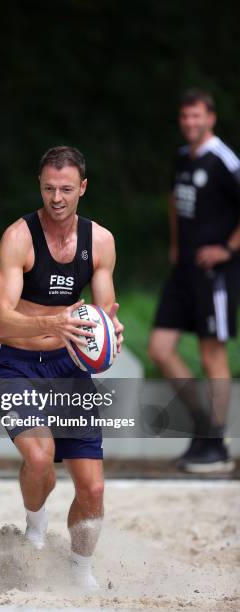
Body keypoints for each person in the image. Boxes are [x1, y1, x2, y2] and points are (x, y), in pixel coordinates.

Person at [0, 145, 124, 589]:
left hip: (68, 367)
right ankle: (35, 526)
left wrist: (111, 332)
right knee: (40, 456)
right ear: (40, 186)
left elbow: (103, 311)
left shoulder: (99, 241)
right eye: (49, 188)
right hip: (19, 363)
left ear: (82, 187)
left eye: (66, 189)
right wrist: (53, 321)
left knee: (94, 489)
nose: (57, 198)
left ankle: (81, 571)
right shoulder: (19, 237)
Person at [148, 88, 240, 473]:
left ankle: (217, 445)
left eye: (197, 116)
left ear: (211, 118)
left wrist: (228, 249)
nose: (190, 123)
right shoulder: (183, 157)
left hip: (214, 272)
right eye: (185, 116)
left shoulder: (224, 160)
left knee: (211, 355)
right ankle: (203, 428)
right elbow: (174, 201)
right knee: (160, 347)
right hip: (183, 269)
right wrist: (175, 244)